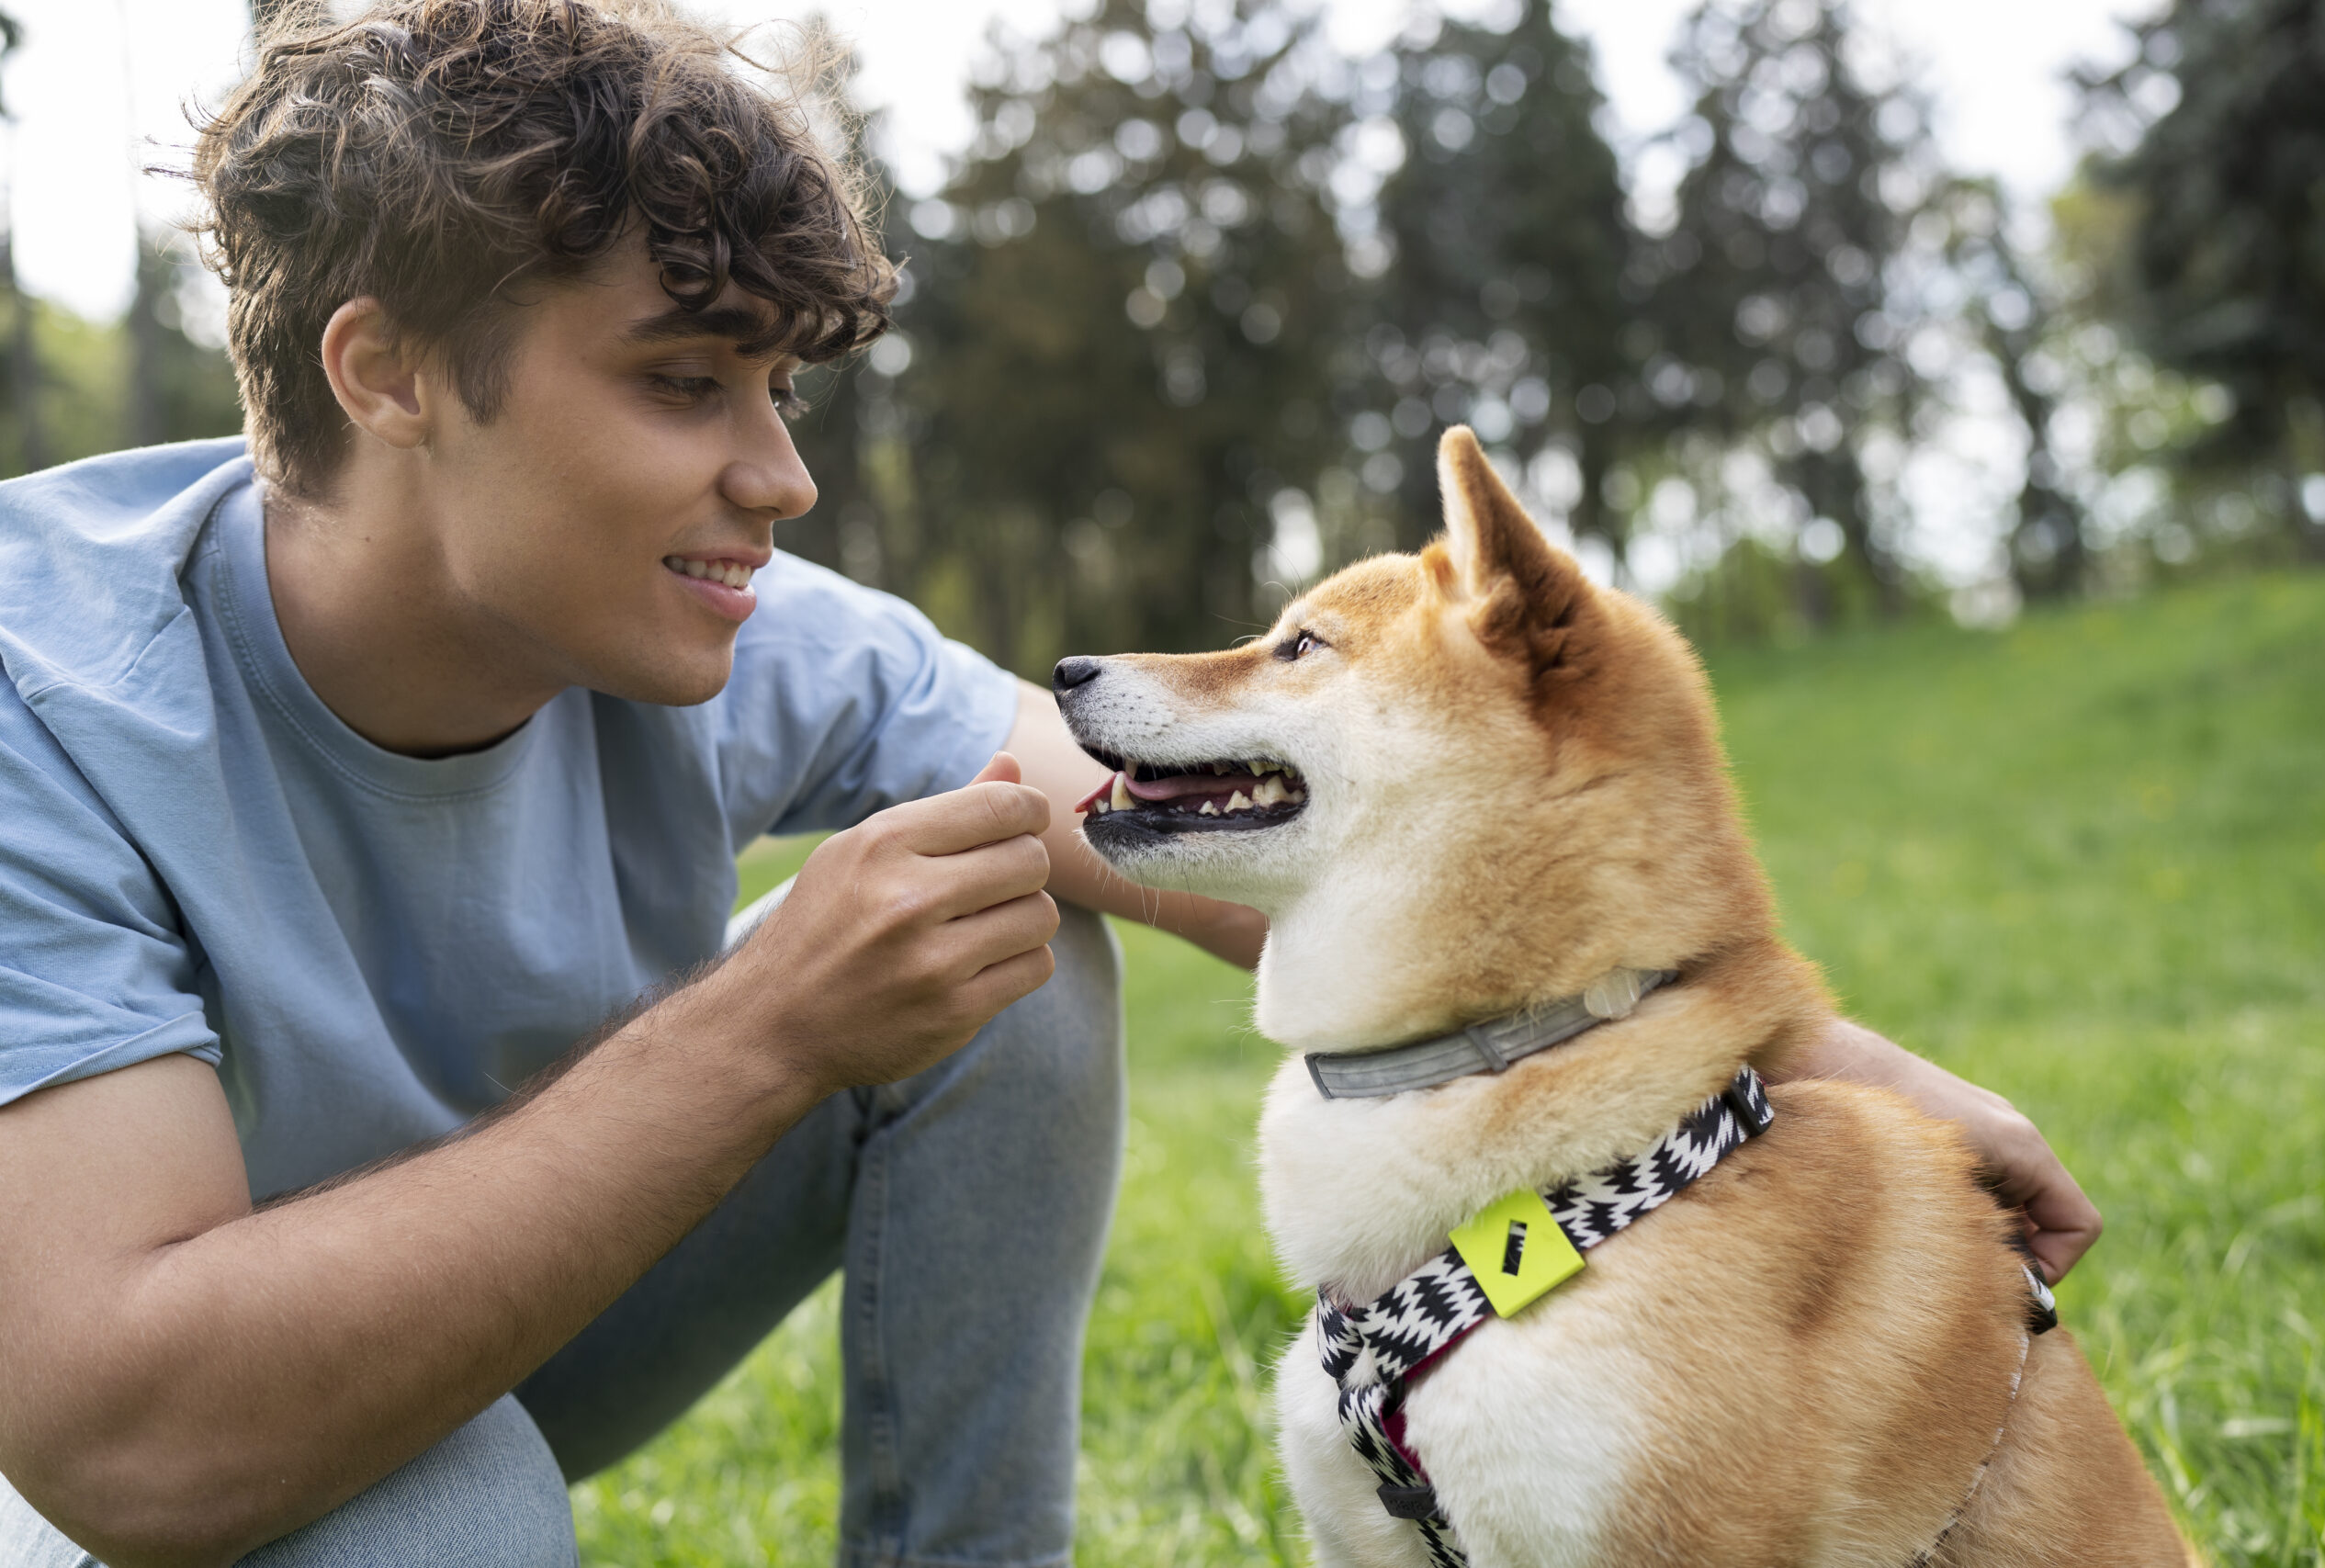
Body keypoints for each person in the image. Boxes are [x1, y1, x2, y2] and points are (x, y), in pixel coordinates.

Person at [0, 4, 2101, 1565]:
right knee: (444, 1523)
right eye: (679, 382)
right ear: (381, 373)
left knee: (1003, 921)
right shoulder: (43, 698)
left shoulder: (719, 622)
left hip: (508, 1310)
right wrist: (762, 1026)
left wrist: (1837, 1066)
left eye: (779, 387)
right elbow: (128, 1433)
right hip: (129, 1446)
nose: (781, 477)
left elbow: (1214, 842)